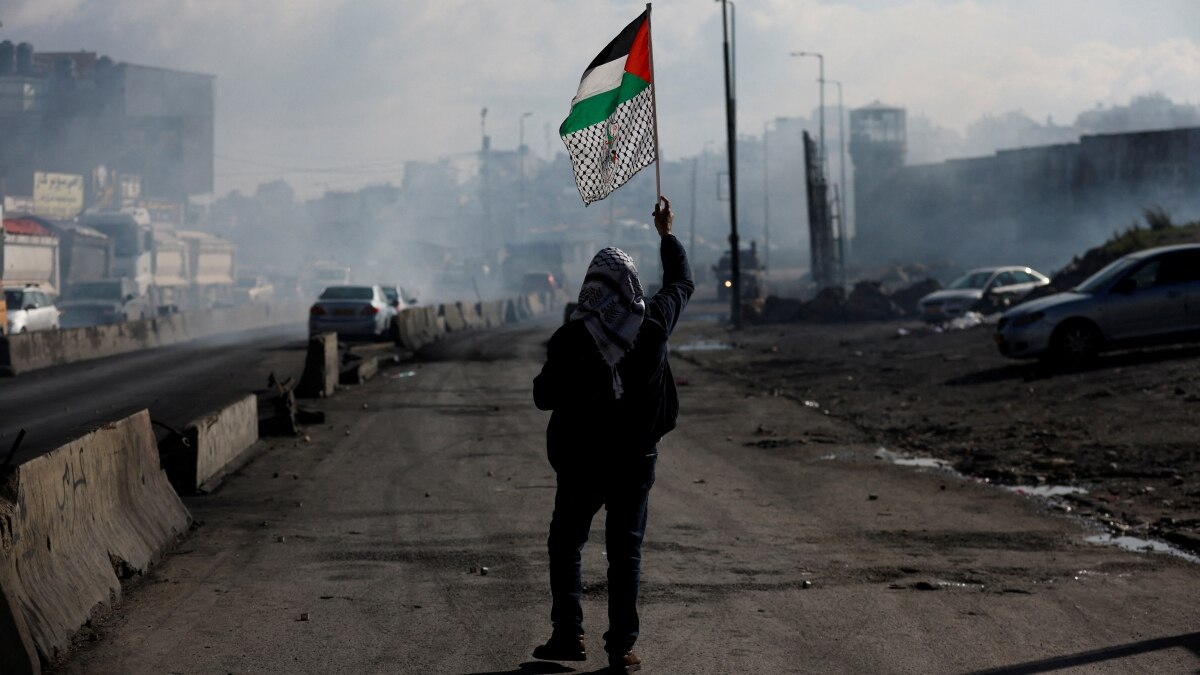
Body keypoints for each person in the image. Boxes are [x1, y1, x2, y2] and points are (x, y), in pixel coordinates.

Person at [531, 196, 694, 673]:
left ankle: (568, 635)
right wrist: (666, 235)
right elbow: (681, 282)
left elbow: (543, 397)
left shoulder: (570, 339)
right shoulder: (654, 326)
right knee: (626, 552)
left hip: (581, 461)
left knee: (566, 544)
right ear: (631, 286)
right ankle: (621, 647)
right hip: (635, 461)